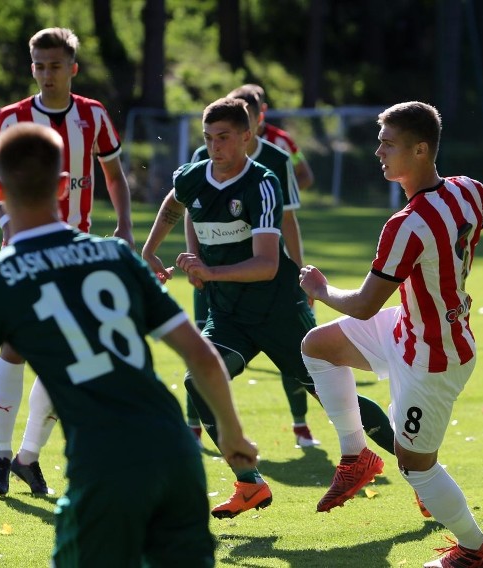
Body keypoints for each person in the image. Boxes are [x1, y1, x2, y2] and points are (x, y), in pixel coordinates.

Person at [0, 122, 258, 567]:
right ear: (64, 187)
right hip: (176, 454)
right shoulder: (117, 256)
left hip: (106, 468)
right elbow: (201, 354)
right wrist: (233, 435)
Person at [299, 101, 483, 568]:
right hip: (410, 330)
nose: (379, 152)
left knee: (414, 466)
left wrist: (320, 289)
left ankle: (475, 549)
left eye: (388, 143)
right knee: (318, 347)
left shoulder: (406, 225)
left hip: (434, 360)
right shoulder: (467, 190)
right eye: (380, 142)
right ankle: (357, 458)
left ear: (421, 149)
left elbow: (367, 304)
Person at [141, 97, 394, 519]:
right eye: (208, 138)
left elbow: (266, 264)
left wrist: (206, 269)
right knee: (198, 381)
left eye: (224, 137)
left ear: (247, 137)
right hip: (227, 314)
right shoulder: (193, 176)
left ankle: (417, 467)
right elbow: (176, 203)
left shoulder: (262, 182)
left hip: (278, 311)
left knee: (330, 396)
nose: (215, 146)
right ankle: (248, 484)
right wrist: (151, 250)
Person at [0, 27, 134, 496]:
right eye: (40, 66)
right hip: (27, 250)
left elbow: (114, 176)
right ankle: (1, 458)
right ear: (32, 69)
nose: (47, 74)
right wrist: (8, 225)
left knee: (72, 357)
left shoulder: (93, 116)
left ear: (72, 68)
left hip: (77, 252)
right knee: (16, 347)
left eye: (56, 65)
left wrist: (125, 228)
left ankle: (28, 457)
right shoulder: (12, 118)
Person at [183, 84, 318, 450]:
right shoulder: (203, 157)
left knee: (301, 359)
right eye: (211, 137)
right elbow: (185, 207)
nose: (215, 145)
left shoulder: (277, 157)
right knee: (200, 359)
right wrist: (190, 257)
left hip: (262, 281)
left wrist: (299, 269)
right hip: (215, 280)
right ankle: (193, 429)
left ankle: (302, 426)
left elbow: (288, 218)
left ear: (257, 120)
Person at [247, 83, 315, 192]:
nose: (245, 117)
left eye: (250, 112)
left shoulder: (282, 139)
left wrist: (277, 194)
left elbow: (306, 177)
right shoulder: (227, 140)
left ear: (262, 110)